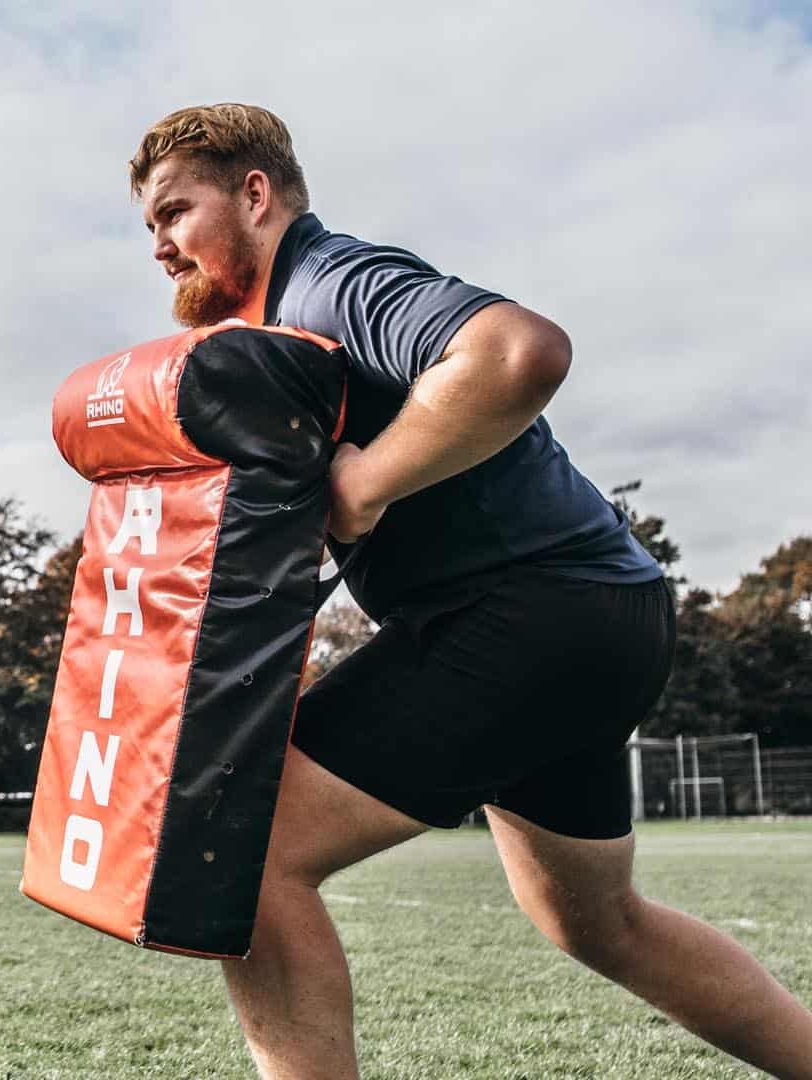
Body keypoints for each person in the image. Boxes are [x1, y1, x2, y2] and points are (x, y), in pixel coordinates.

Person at [129, 103, 812, 1078]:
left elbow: (516, 351)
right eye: (148, 227)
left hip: (530, 613)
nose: (159, 245)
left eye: (173, 212)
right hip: (592, 616)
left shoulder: (330, 281)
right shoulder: (288, 326)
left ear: (255, 192)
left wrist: (364, 482)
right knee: (598, 921)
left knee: (247, 848)